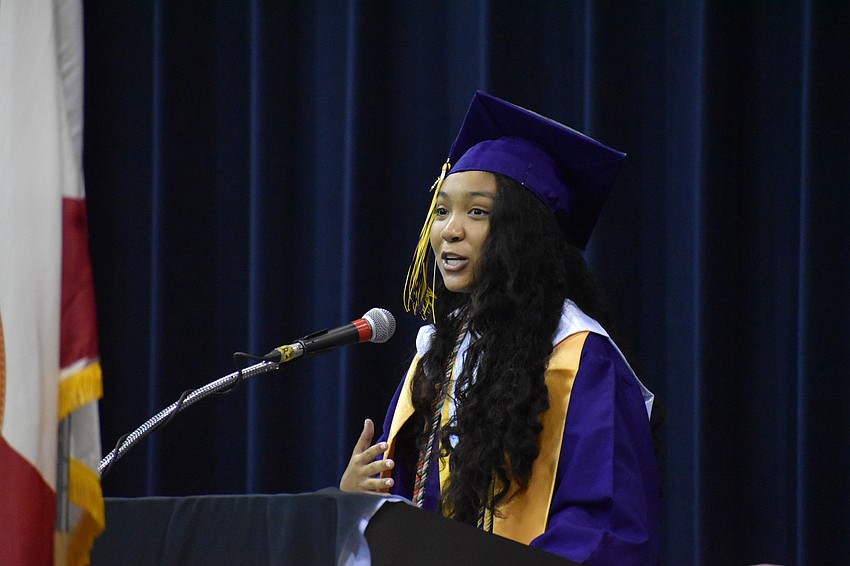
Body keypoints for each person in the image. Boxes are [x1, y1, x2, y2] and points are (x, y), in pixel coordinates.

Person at [340, 91, 659, 565]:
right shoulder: (436, 358)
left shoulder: (579, 359)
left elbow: (605, 528)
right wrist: (356, 503)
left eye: (477, 212)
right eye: (442, 210)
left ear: (523, 233)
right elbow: (407, 509)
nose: (449, 230)